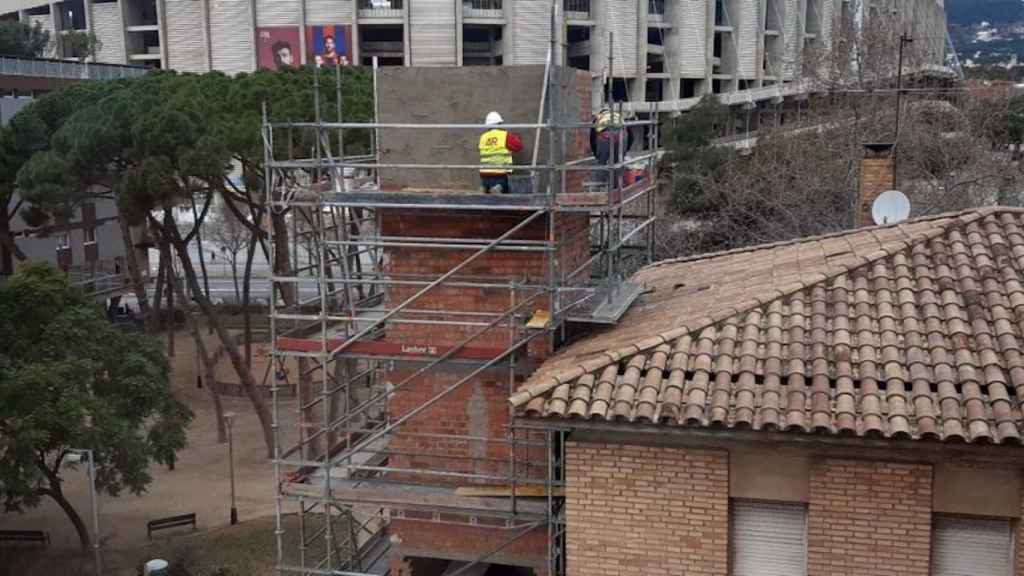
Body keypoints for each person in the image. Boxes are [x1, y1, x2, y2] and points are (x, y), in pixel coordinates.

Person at [478, 111, 523, 194]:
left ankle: (485, 187)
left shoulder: (483, 137)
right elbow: (519, 147)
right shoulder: (505, 135)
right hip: (499, 173)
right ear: (500, 123)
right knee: (505, 184)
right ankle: (499, 187)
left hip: (484, 173)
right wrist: (517, 138)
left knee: (488, 182)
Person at [589, 106, 633, 187]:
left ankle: (600, 186)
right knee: (618, 163)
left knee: (601, 163)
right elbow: (630, 134)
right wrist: (625, 151)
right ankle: (617, 187)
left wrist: (596, 154)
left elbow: (592, 137)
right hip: (622, 136)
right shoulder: (618, 115)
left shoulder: (599, 117)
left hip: (604, 137)